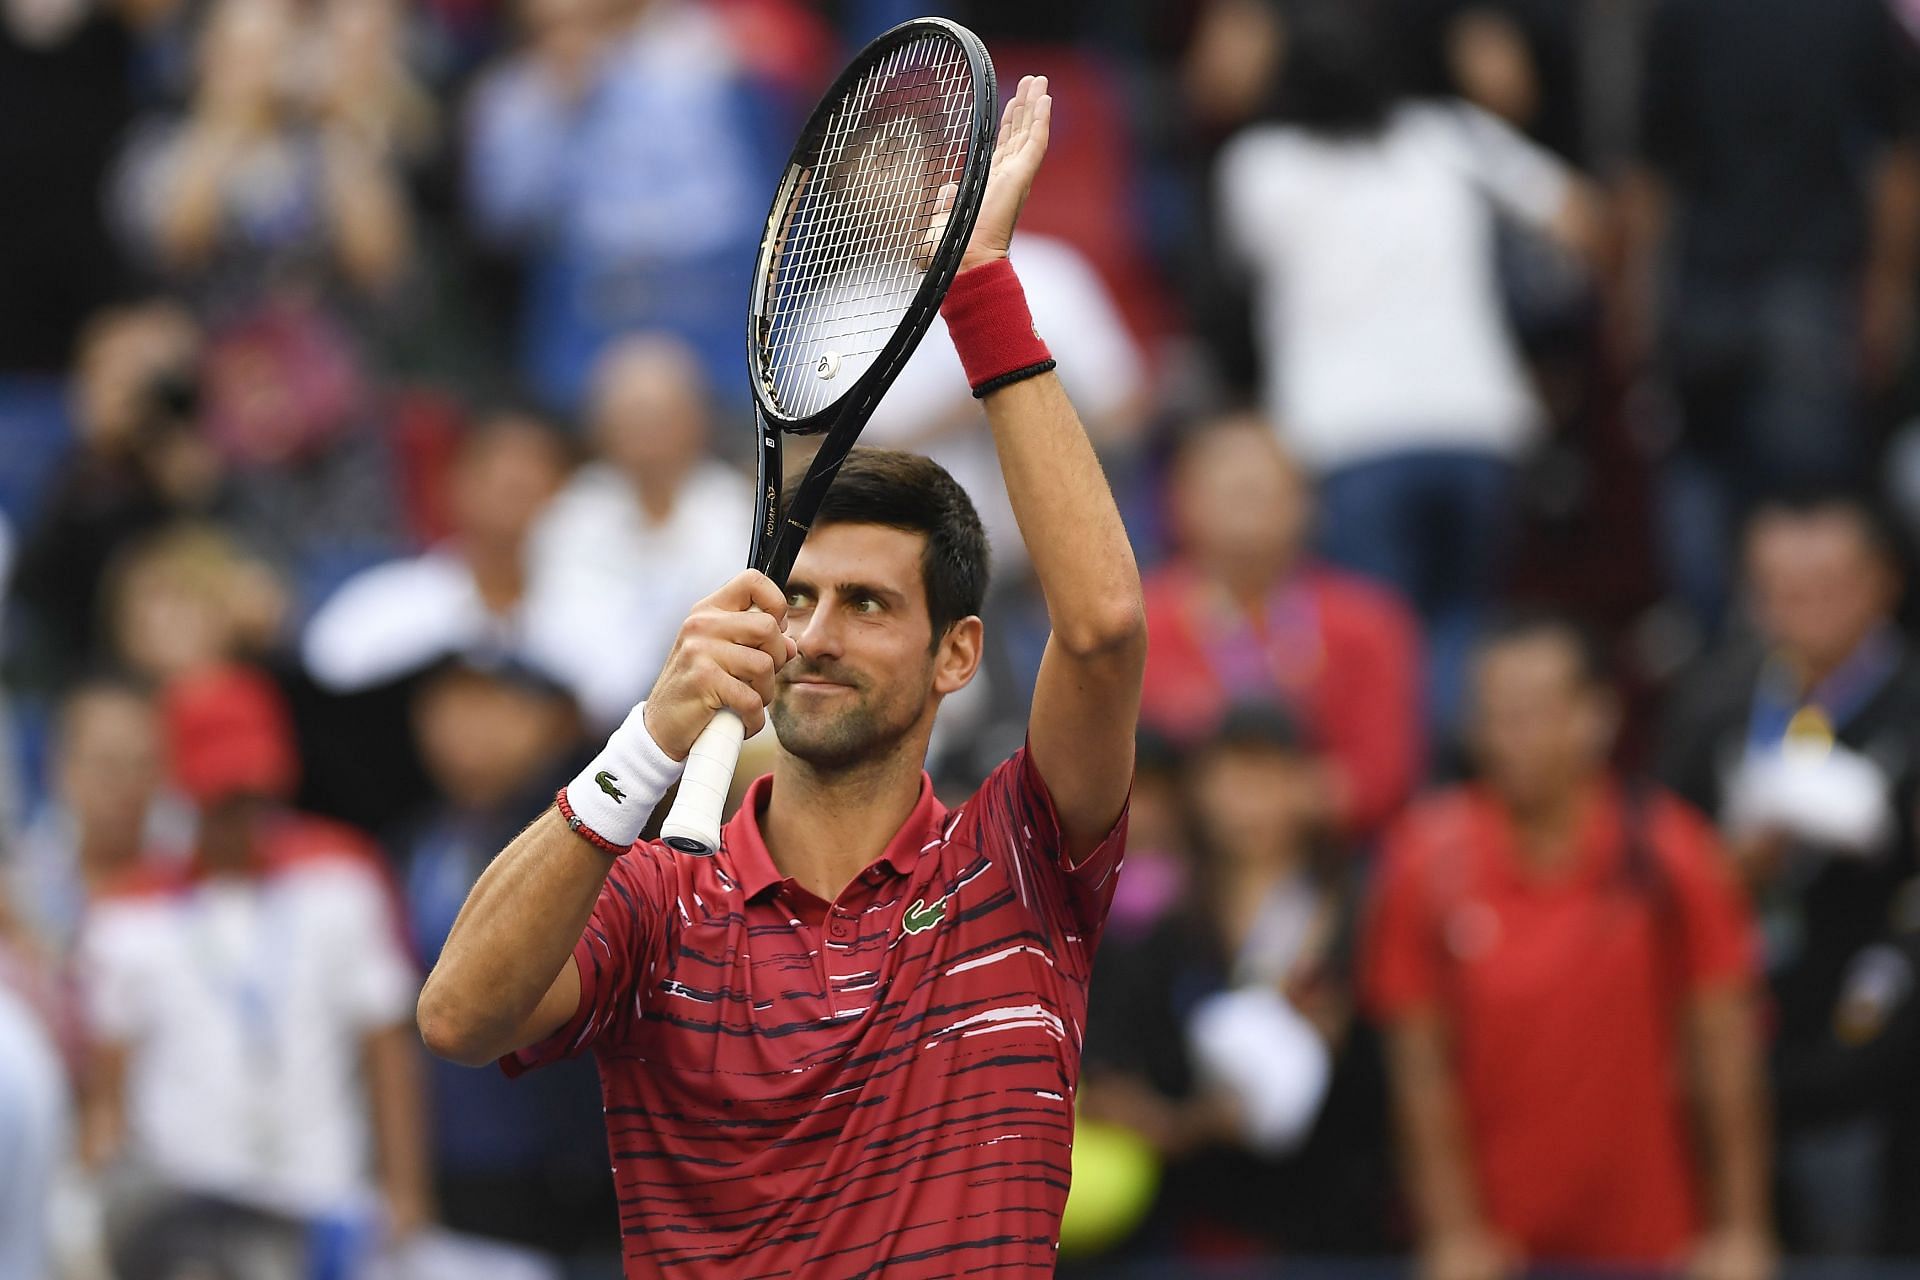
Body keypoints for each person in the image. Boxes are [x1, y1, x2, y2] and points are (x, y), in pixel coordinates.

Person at [418, 77, 1148, 1276]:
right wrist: (647, 741)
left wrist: (979, 292)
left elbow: (1106, 627)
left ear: (958, 652)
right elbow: (458, 1015)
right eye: (798, 598)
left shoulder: (1016, 861)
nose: (815, 634)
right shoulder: (655, 900)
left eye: (868, 605)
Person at [1213, 0, 1598, 733]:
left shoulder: (1259, 164)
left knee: (1379, 648)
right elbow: (1580, 216)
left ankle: (1408, 824)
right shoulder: (1447, 136)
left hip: (1345, 440)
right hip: (1478, 427)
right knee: (1459, 635)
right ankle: (1450, 797)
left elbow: (1229, 294)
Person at [1365, 613, 1770, 1278]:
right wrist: (1453, 1233)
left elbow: (1725, 1054)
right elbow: (1420, 1072)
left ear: (1596, 718)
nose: (1509, 737)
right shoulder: (1423, 861)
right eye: (1493, 714)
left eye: (1532, 713)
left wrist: (1742, 1230)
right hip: (1498, 1254)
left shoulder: (1675, 856)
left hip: (1657, 1248)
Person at [77, 664, 432, 1267]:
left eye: (251, 792)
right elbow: (108, 1089)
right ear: (182, 788)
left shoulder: (342, 876)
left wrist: (406, 1194)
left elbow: (387, 1048)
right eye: (220, 796)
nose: (239, 813)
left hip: (322, 1200)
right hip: (186, 1208)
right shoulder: (125, 915)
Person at [1658, 492, 1920, 1253]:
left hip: (1883, 1053)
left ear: (1884, 582)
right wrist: (1725, 870)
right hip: (1738, 1038)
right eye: (1777, 587)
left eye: (1827, 583)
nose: (1800, 605)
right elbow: (1655, 852)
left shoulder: (1910, 706)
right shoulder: (1714, 701)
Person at [1626, 0, 1920, 626]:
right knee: (1811, 506)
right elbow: (1898, 164)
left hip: (1705, 288)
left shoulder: (1680, 14)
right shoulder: (1856, 13)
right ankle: (1783, 677)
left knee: (1709, 493)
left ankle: (1728, 659)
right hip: (1809, 290)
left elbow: (1649, 170)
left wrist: (1639, 304)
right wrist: (1887, 295)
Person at [1079, 703, 1386, 1257]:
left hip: (1327, 1223)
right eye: (1232, 775)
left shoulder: (1358, 911)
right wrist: (1172, 1120)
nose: (1249, 800)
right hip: (1184, 1225)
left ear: (1310, 785)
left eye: (1268, 775)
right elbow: (1109, 1064)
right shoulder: (1157, 919)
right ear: (1200, 789)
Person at [1142, 415, 1422, 843]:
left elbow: (1382, 776)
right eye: (1229, 490)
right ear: (1179, 504)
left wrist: (1270, 805)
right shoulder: (1133, 622)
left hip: (1329, 867)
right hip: (1176, 869)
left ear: (1306, 505)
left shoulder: (1367, 623)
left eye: (1263, 491)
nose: (1247, 503)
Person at [520, 333, 754, 728]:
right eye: (631, 419)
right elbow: (554, 634)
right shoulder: (568, 517)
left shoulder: (738, 509)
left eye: (660, 418)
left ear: (698, 421)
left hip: (714, 713)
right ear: (600, 428)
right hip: (586, 724)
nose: (647, 436)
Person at [303, 411, 572, 693]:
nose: (511, 506)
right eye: (504, 487)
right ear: (456, 486)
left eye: (528, 490)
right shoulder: (380, 606)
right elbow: (329, 670)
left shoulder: (598, 614)